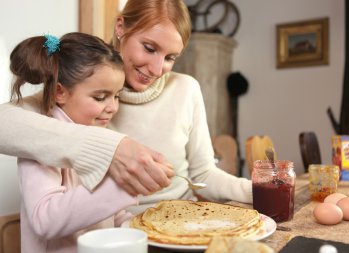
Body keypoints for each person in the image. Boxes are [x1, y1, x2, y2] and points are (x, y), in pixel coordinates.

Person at [0, 0, 252, 214]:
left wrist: (257, 190)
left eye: (170, 58)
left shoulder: (186, 88)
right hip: (113, 235)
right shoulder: (84, 83)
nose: (156, 69)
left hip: (181, 227)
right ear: (121, 27)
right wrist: (113, 149)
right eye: (149, 48)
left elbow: (204, 175)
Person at [11, 32, 140, 253]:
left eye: (117, 96)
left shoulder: (100, 135)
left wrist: (137, 228)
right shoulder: (38, 142)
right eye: (100, 97)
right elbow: (45, 220)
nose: (113, 107)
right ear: (60, 92)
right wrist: (123, 185)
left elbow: (111, 214)